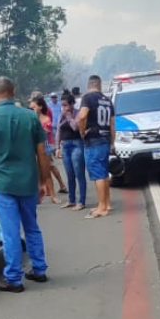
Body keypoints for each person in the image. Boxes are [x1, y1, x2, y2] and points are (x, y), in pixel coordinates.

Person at [0, 76, 50, 292]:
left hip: (4, 185)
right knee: (32, 227)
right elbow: (42, 152)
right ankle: (39, 269)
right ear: (14, 91)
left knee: (10, 232)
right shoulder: (30, 117)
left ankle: (14, 278)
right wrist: (44, 181)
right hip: (28, 182)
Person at [77, 75, 116, 219]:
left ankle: (102, 207)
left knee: (97, 174)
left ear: (89, 85)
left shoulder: (88, 98)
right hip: (105, 139)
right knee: (104, 172)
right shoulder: (107, 101)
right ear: (99, 85)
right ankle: (106, 203)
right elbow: (112, 124)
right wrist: (112, 142)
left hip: (93, 139)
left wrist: (82, 132)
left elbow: (82, 116)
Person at [30, 94, 67, 203]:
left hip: (43, 146)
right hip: (32, 147)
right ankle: (37, 196)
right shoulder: (29, 119)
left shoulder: (45, 118)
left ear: (40, 107)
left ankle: (53, 195)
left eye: (34, 107)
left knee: (46, 172)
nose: (32, 110)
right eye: (31, 108)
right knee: (35, 174)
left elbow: (45, 132)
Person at [57, 92, 86, 211]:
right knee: (69, 174)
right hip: (66, 145)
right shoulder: (61, 115)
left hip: (76, 144)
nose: (63, 108)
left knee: (79, 173)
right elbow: (58, 130)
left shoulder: (77, 113)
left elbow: (75, 127)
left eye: (65, 105)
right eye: (62, 105)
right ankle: (71, 199)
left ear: (71, 104)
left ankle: (81, 201)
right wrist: (58, 146)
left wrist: (68, 116)